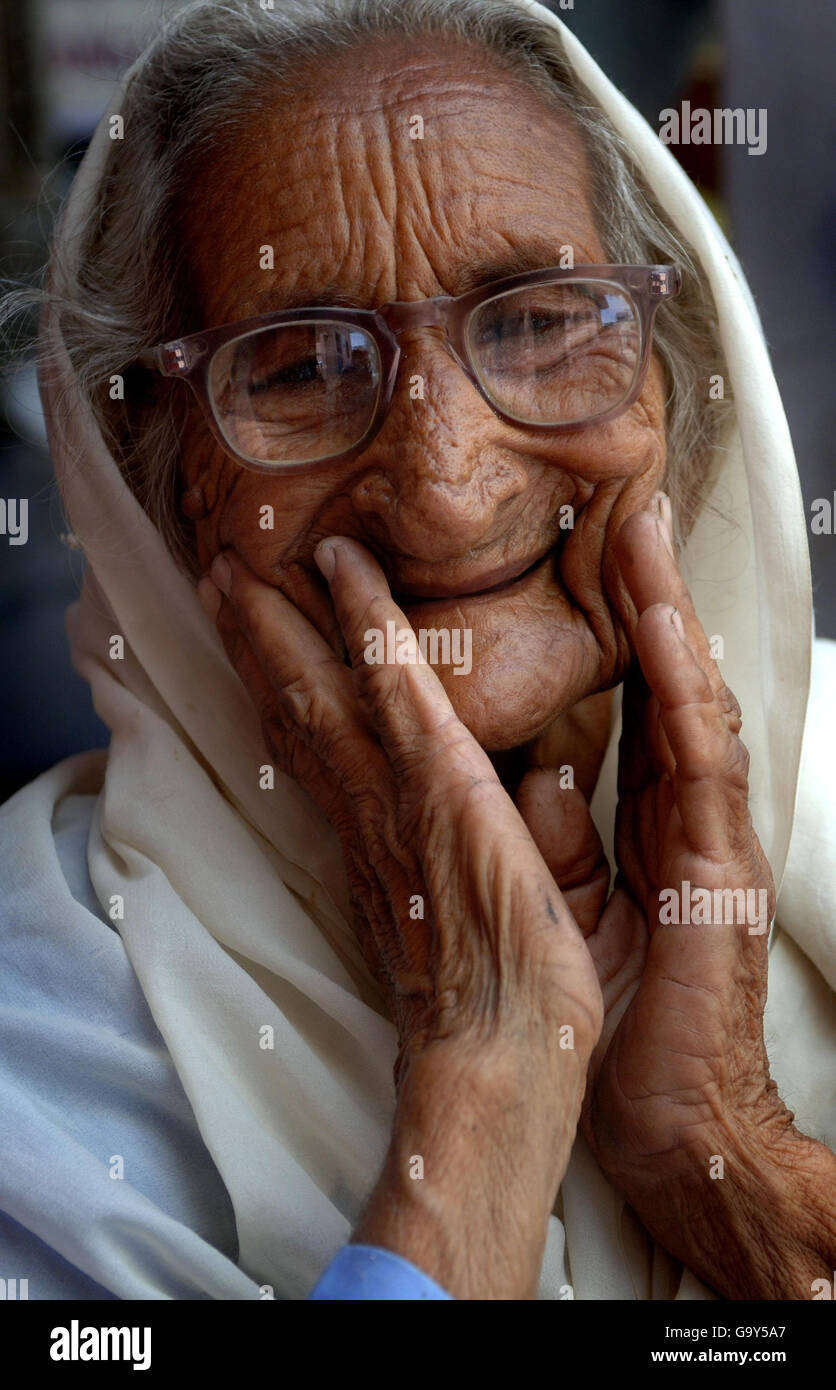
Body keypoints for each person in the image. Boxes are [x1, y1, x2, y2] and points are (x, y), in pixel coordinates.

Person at [0, 0, 833, 1301]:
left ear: (674, 372)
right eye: (298, 367)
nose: (446, 488)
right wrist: (486, 1063)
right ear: (152, 484)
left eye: (542, 319)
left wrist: (730, 1152)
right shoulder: (34, 1045)